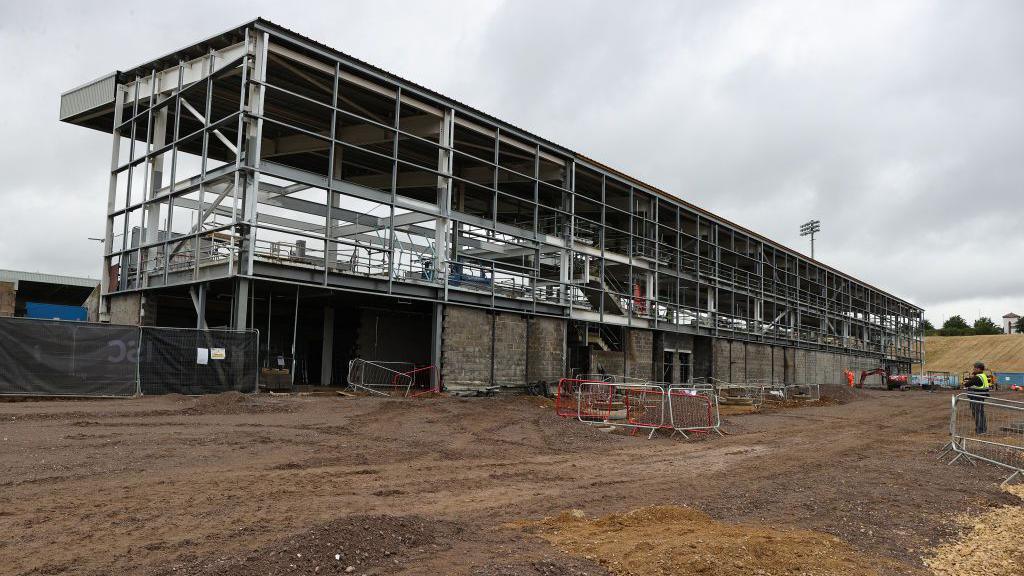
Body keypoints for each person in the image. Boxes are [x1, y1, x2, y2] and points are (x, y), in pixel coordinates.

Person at [963, 361, 992, 434]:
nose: (973, 369)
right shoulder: (983, 375)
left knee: (977, 414)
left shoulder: (977, 377)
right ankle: (983, 429)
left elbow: (966, 384)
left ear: (979, 369)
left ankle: (979, 430)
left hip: (976, 397)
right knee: (981, 414)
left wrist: (972, 377)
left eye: (974, 368)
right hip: (981, 397)